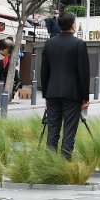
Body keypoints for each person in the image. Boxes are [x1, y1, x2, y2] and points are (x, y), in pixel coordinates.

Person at [39, 12, 90, 160]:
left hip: (52, 93)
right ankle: (64, 163)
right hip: (72, 94)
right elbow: (84, 72)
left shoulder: (49, 43)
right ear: (73, 25)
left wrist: (46, 95)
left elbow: (44, 71)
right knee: (69, 130)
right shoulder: (79, 44)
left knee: (53, 129)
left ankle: (50, 163)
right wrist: (85, 96)